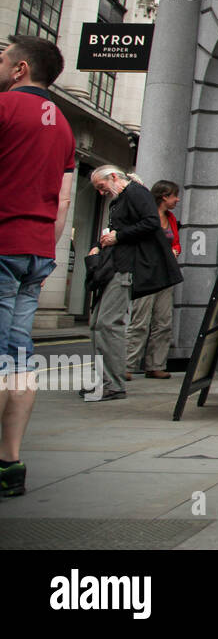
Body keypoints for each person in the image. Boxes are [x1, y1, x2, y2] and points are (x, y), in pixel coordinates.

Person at [0, 35, 74, 496]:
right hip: (36, 251)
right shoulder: (64, 126)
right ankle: (10, 464)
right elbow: (64, 201)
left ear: (20, 69)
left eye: (3, 58)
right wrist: (46, 248)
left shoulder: (4, 109)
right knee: (17, 357)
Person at [86, 166, 182, 401]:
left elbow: (150, 222)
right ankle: (104, 382)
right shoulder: (119, 200)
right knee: (97, 324)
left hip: (124, 268)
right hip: (115, 265)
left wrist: (118, 236)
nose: (101, 193)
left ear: (114, 177)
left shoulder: (136, 193)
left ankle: (113, 384)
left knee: (109, 324)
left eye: (102, 187)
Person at [125, 180, 181, 380]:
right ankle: (127, 365)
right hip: (146, 273)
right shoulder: (147, 216)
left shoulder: (171, 218)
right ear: (164, 196)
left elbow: (175, 241)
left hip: (165, 274)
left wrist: (175, 250)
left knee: (163, 322)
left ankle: (156, 365)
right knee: (139, 321)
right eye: (174, 195)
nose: (177, 199)